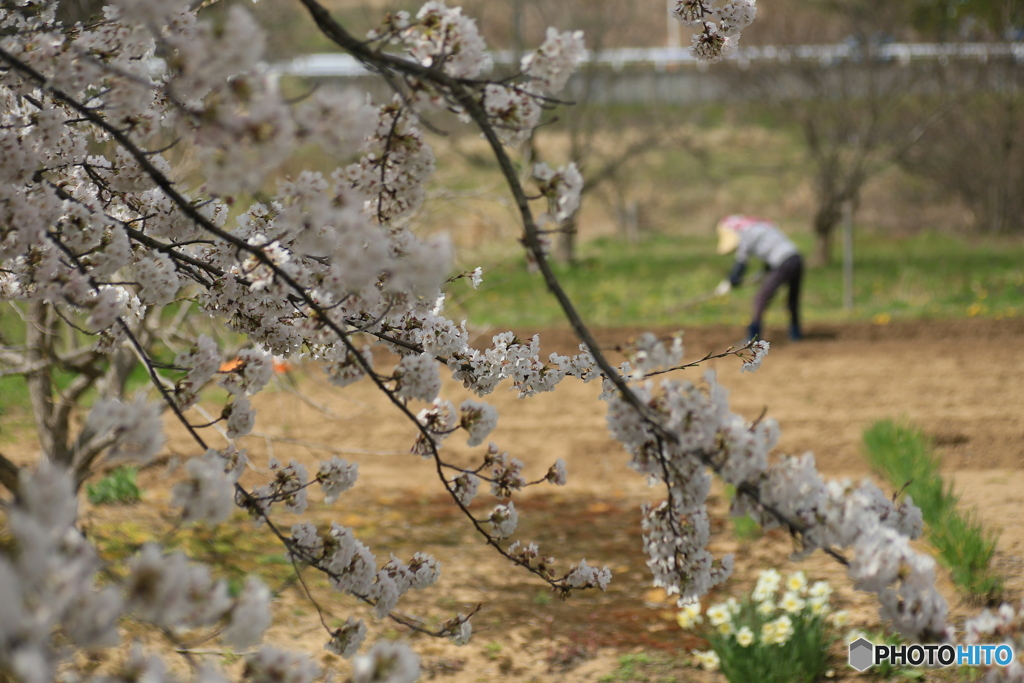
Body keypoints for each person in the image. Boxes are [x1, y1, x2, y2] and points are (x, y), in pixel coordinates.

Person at [713, 215, 804, 343]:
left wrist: (729, 282)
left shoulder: (745, 234)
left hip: (783, 263)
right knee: (792, 299)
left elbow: (741, 264)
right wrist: (763, 272)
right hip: (796, 259)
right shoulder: (762, 227)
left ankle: (753, 336)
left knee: (760, 299)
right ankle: (795, 334)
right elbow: (773, 249)